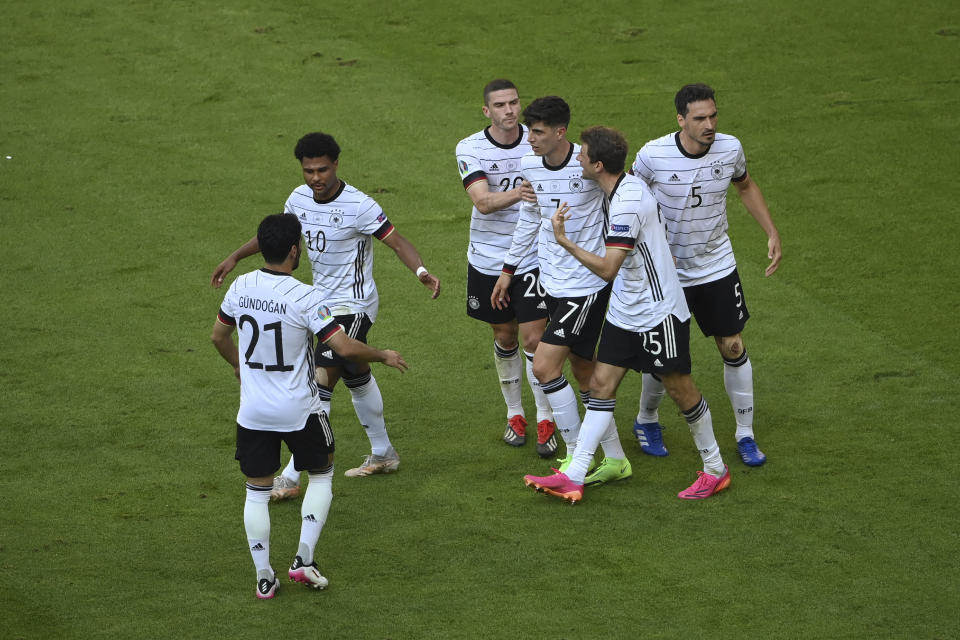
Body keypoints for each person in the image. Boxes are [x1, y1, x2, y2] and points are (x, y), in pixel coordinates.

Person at [211, 132, 439, 497]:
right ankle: (383, 453)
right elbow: (278, 235)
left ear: (336, 165)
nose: (315, 178)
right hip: (317, 304)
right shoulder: (298, 199)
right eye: (308, 171)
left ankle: (291, 475)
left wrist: (422, 272)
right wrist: (235, 256)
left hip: (356, 304)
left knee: (321, 378)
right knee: (355, 372)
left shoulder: (359, 205)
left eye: (322, 169)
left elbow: (397, 241)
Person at [523, 126, 730, 503]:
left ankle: (715, 468)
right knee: (601, 386)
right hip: (625, 310)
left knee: (680, 389)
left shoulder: (628, 203)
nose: (578, 157)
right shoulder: (616, 190)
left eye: (582, 153)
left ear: (598, 164)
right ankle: (574, 474)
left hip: (658, 312)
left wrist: (564, 241)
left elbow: (607, 268)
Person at [211, 214, 408, 598]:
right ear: (293, 250)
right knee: (321, 474)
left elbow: (218, 336)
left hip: (252, 412)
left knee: (256, 492)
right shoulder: (306, 296)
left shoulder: (240, 287)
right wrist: (383, 354)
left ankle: (264, 578)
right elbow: (345, 347)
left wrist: (239, 366)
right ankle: (303, 558)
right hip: (300, 409)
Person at [629, 83, 781, 466]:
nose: (709, 124)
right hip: (667, 271)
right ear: (681, 120)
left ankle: (745, 435)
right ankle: (646, 421)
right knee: (665, 355)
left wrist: (771, 232)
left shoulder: (730, 148)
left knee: (732, 346)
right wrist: (650, 248)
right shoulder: (653, 155)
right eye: (700, 118)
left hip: (715, 264)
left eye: (713, 115)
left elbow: (745, 186)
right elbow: (627, 198)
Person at [491, 96, 631, 485]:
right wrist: (508, 270)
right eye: (529, 130)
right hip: (551, 281)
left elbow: (625, 201)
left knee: (544, 365)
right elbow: (530, 220)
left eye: (537, 132)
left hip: (585, 286)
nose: (529, 138)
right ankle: (616, 458)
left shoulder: (588, 167)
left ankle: (574, 459)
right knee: (584, 373)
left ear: (560, 132)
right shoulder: (530, 165)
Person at [455, 79, 557, 457]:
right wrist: (521, 192)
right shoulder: (470, 148)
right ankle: (515, 413)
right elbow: (481, 202)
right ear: (487, 111)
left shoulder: (538, 139)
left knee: (534, 339)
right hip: (487, 257)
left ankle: (546, 418)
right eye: (500, 105)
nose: (510, 111)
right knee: (504, 336)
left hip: (533, 256)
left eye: (514, 103)